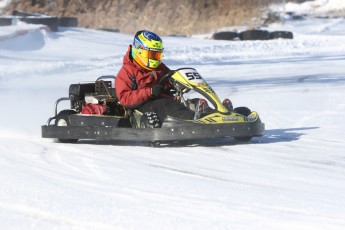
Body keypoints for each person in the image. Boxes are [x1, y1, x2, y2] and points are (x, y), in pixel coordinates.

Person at [115, 30, 205, 123]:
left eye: (157, 55)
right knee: (165, 105)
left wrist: (179, 83)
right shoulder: (127, 71)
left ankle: (213, 116)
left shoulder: (160, 68)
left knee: (194, 103)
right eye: (152, 54)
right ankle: (192, 121)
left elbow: (171, 77)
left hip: (164, 101)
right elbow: (124, 98)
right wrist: (149, 92)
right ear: (139, 50)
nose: (155, 58)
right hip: (142, 108)